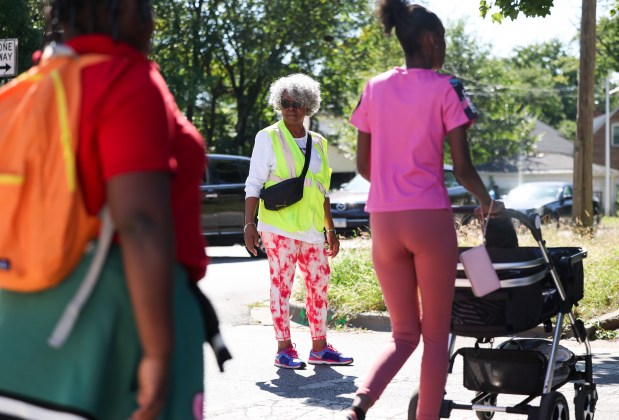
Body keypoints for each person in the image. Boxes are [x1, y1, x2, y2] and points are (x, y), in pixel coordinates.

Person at [0, 1, 211, 419]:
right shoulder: (125, 79)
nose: (151, 20)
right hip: (123, 317)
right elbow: (140, 221)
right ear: (124, 8)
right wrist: (157, 353)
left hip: (21, 316)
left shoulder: (27, 89)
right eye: (146, 7)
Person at [344, 2, 503, 419]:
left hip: (383, 220)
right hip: (429, 217)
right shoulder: (446, 87)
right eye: (444, 40)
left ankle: (360, 402)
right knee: (434, 338)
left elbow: (364, 166)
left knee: (401, 335)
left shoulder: (374, 87)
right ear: (431, 40)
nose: (445, 48)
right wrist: (487, 203)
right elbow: (464, 169)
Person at [244, 73, 353, 369]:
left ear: (309, 106)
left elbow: (322, 190)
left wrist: (330, 229)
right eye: (285, 102)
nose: (290, 107)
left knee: (319, 285)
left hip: (313, 228)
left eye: (297, 102)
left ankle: (319, 347)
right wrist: (249, 224)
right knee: (281, 286)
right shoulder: (268, 137)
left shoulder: (318, 142)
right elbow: (254, 182)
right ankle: (284, 349)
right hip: (278, 226)